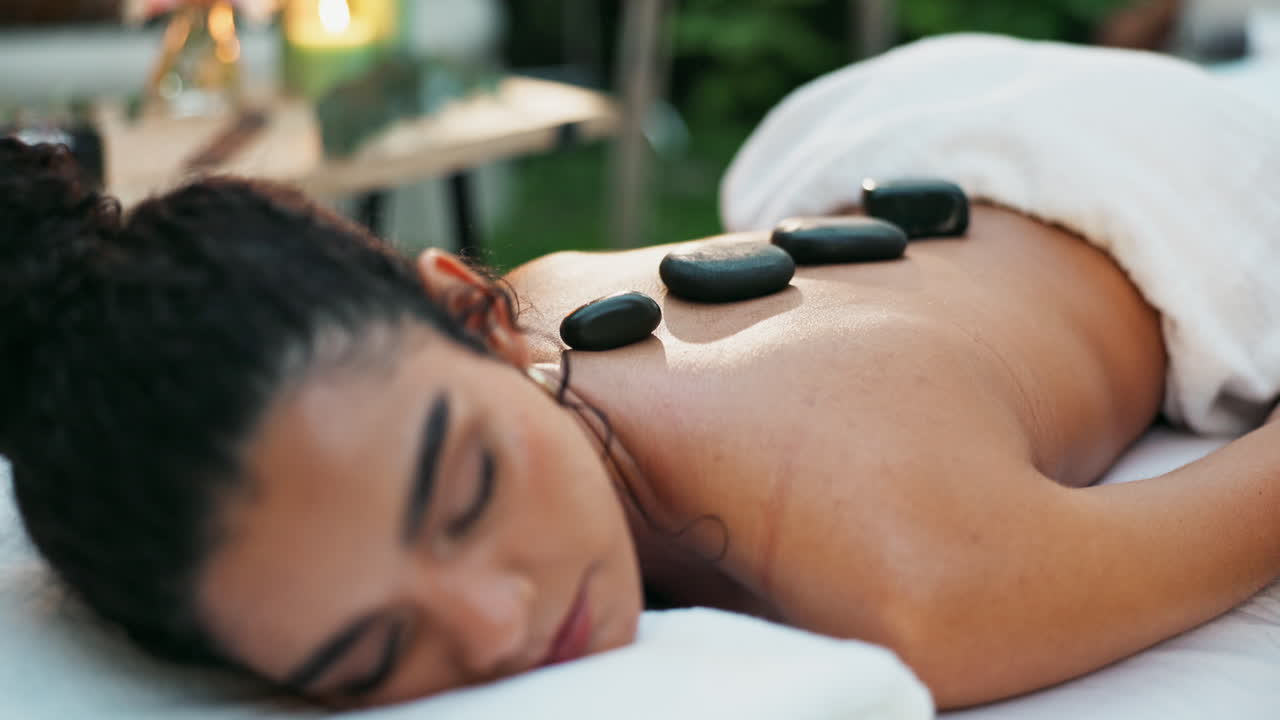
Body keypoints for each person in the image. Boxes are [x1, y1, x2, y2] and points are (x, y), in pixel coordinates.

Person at [3, 35, 1279, 711]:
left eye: (463, 494)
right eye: (371, 657)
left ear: (476, 310)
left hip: (1129, 176)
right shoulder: (509, 336)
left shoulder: (911, 578)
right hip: (892, 157)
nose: (496, 627)